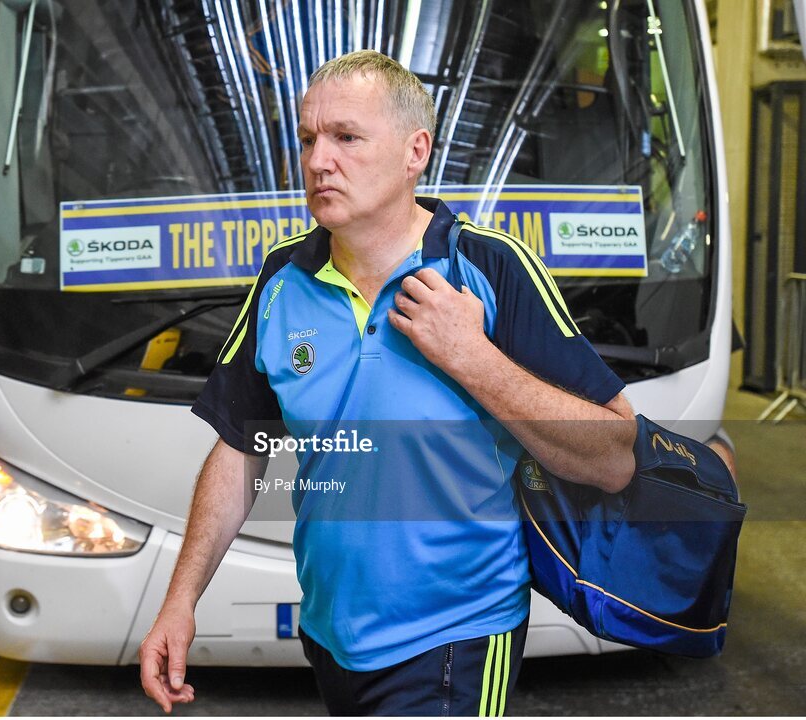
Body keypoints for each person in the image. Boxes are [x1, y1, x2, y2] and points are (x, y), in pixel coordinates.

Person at [139, 50, 638, 716]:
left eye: (346, 137)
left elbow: (614, 454)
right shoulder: (283, 282)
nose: (318, 161)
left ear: (415, 151)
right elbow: (239, 449)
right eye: (309, 139)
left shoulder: (489, 268)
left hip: (460, 635)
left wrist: (473, 356)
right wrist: (179, 602)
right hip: (333, 635)